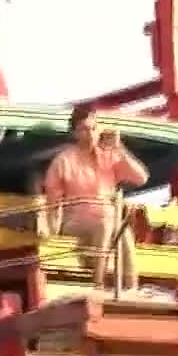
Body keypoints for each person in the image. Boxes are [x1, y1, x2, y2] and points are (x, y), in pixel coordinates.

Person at [43, 104, 149, 292]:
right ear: (75, 133)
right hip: (74, 222)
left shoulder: (109, 156)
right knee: (105, 224)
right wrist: (52, 233)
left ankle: (131, 287)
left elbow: (141, 178)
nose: (90, 133)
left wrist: (120, 148)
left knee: (123, 232)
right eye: (84, 129)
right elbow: (52, 201)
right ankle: (98, 283)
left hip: (108, 219)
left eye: (93, 128)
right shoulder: (64, 160)